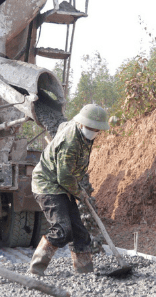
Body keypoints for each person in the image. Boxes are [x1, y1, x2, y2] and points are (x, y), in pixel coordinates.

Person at [28, 104, 110, 276]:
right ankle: (35, 270)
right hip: (47, 184)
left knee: (79, 231)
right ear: (81, 124)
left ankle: (85, 272)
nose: (93, 131)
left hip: (62, 185)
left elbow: (60, 126)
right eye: (90, 128)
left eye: (96, 129)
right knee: (62, 229)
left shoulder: (81, 132)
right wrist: (80, 193)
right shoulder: (71, 141)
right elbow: (64, 177)